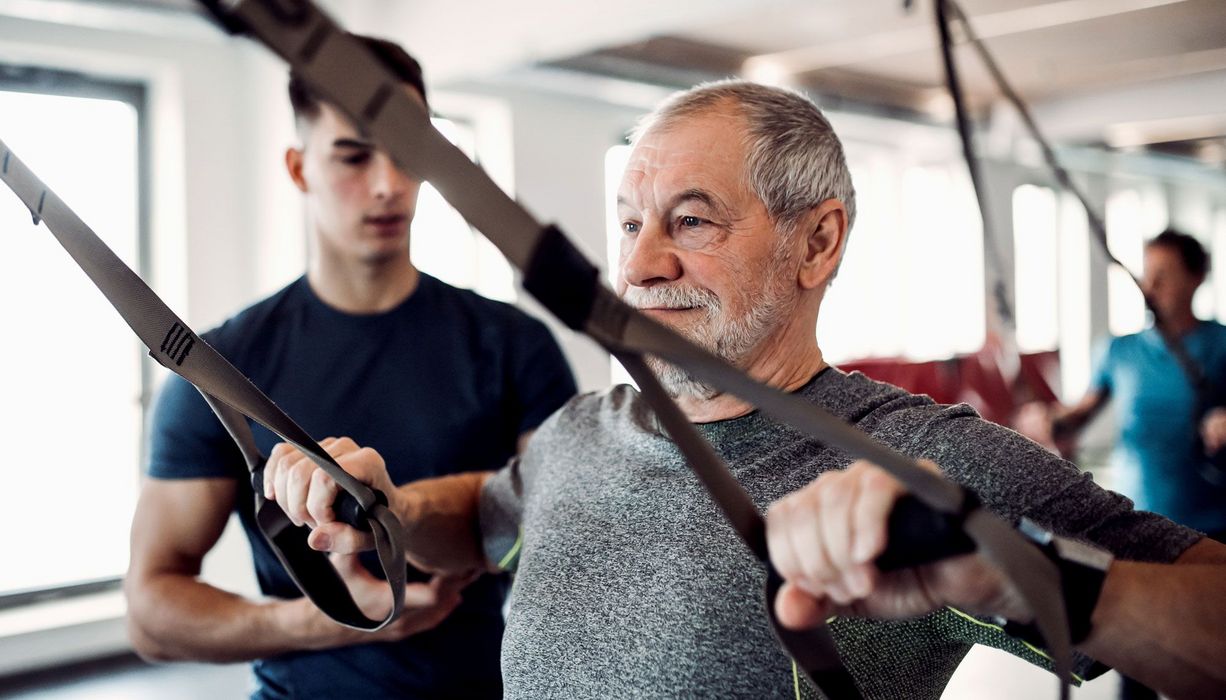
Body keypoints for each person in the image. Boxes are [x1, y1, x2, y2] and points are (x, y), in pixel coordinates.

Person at [263, 80, 1226, 699]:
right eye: (630, 219)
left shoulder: (922, 466)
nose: (638, 264)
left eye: (690, 221)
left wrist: (1003, 566)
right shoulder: (578, 434)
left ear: (818, 242)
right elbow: (483, 516)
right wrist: (385, 507)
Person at [123, 35, 577, 699]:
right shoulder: (221, 369)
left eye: (408, 151)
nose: (389, 185)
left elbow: (569, 536)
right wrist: (324, 621)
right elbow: (152, 614)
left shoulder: (515, 345)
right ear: (300, 168)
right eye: (353, 157)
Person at [1038, 230, 1226, 543]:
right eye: (1146, 275)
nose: (1149, 287)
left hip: (1213, 522)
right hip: (1139, 521)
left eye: (1163, 276)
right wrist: (1052, 421)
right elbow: (1081, 413)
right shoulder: (1119, 350)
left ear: (1196, 278)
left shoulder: (1221, 343)